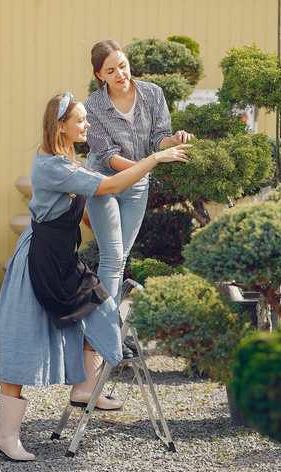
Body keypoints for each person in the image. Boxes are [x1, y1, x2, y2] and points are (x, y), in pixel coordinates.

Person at [0, 92, 190, 461]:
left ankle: (84, 389)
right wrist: (155, 158)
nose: (87, 125)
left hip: (59, 257)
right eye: (81, 120)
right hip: (38, 260)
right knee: (23, 339)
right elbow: (111, 186)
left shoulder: (66, 156)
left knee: (98, 303)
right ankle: (5, 435)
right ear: (60, 126)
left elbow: (100, 179)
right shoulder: (53, 165)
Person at [83, 39, 194, 308]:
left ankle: (106, 324)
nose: (120, 75)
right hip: (104, 182)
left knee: (121, 258)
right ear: (99, 75)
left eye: (123, 66)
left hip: (137, 184)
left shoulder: (153, 94)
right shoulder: (92, 107)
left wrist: (173, 140)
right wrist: (150, 163)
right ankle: (106, 333)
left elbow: (158, 139)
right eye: (110, 71)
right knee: (111, 257)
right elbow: (108, 157)